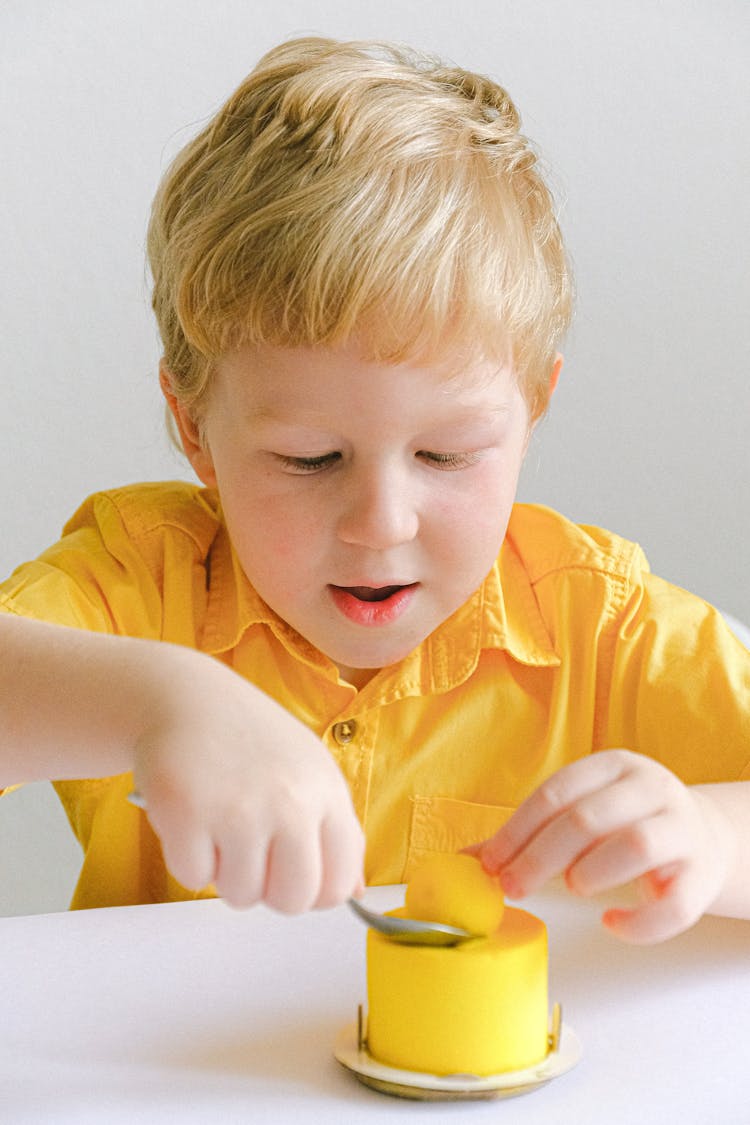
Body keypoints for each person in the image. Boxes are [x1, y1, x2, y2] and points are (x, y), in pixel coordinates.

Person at [1, 37, 748, 944]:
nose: (380, 523)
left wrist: (712, 836)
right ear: (195, 428)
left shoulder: (604, 629)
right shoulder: (144, 586)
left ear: (535, 409)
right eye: (311, 459)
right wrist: (156, 702)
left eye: (447, 454)